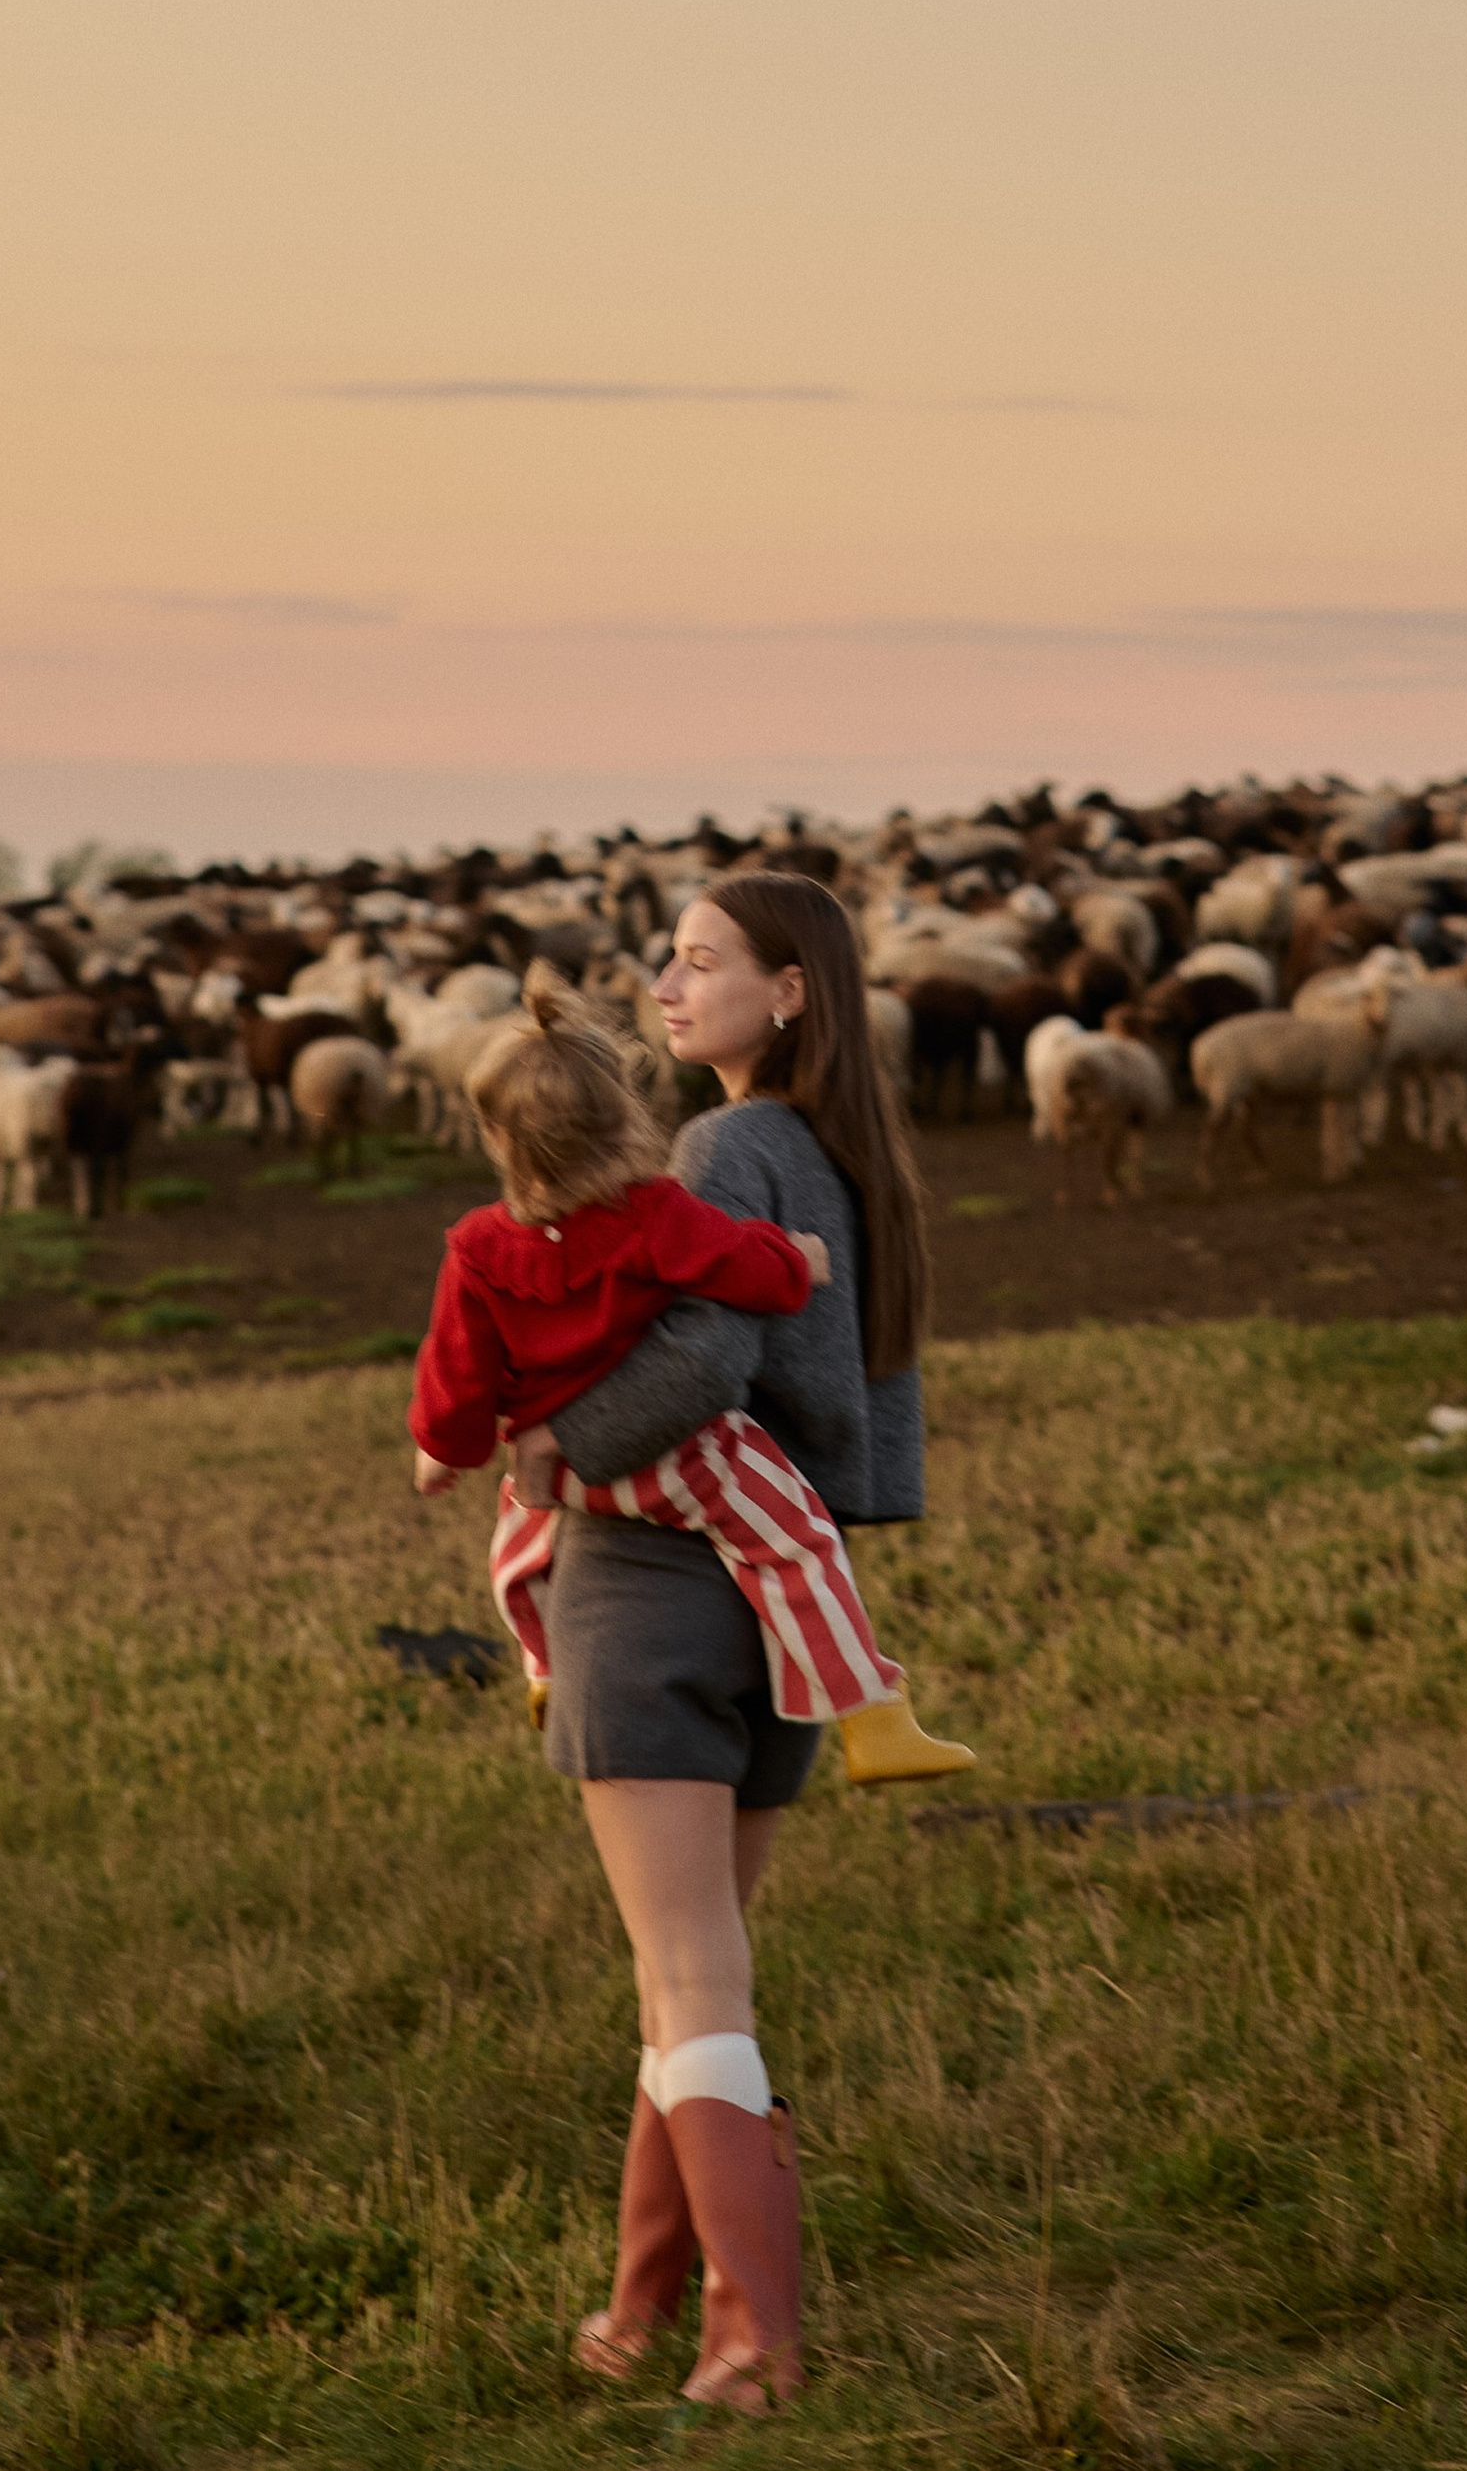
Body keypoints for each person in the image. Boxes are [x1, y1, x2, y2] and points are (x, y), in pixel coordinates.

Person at [510, 873, 958, 2412]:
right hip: (785, 1596)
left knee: (692, 1971)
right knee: (693, 1969)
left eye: (702, 960)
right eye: (671, 956)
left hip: (657, 1583)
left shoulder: (718, 1149)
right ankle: (640, 2308)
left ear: (792, 991)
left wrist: (554, 1439)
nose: (668, 981)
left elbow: (703, 1351)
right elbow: (853, 1393)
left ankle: (755, 2342)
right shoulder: (848, 1159)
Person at [406, 965, 972, 1782]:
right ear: (623, 1120)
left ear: (495, 1137)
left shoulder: (476, 1248)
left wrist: (443, 1452)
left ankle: (545, 1669)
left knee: (519, 1553)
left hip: (554, 1475)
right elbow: (740, 1270)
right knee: (797, 1542)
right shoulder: (656, 1213)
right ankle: (870, 1713)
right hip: (677, 1462)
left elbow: (455, 1373)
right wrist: (799, 1261)